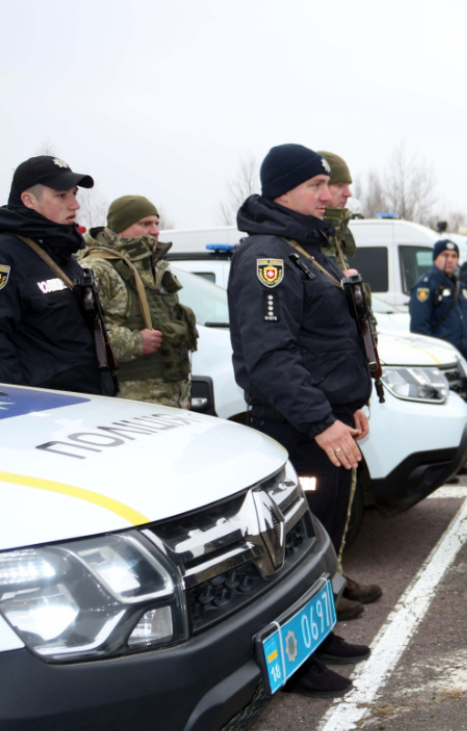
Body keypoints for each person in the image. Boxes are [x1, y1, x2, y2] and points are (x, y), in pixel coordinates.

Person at [227, 143, 372, 698]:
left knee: (324, 536)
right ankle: (295, 663)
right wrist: (321, 421)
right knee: (294, 547)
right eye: (316, 186)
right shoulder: (268, 256)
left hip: (327, 416)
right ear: (283, 189)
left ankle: (319, 632)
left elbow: (329, 338)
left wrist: (349, 400)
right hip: (296, 426)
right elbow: (271, 356)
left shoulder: (306, 248)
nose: (327, 195)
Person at [313, 150, 385, 613]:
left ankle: (334, 572)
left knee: (344, 493)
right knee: (320, 496)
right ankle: (320, 584)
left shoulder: (335, 242)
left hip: (342, 389)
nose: (347, 192)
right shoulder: (304, 246)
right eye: (339, 184)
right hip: (317, 399)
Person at [0, 155, 115, 395]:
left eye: (74, 194)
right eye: (61, 196)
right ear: (28, 200)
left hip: (86, 402)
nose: (75, 204)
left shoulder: (60, 249)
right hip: (43, 412)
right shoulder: (7, 254)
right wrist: (20, 403)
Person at [77, 196, 198, 408]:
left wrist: (183, 396)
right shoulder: (99, 269)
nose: (154, 231)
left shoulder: (155, 269)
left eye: (156, 223)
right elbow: (81, 338)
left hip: (170, 401)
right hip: (129, 405)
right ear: (120, 229)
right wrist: (136, 342)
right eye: (145, 224)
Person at [410, 238, 467, 478]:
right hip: (439, 363)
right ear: (436, 258)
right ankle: (442, 468)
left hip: (459, 361)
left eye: (454, 256)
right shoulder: (426, 285)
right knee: (443, 415)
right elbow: (420, 328)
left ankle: (458, 462)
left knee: (462, 412)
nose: (450, 260)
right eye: (445, 256)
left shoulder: (459, 285)